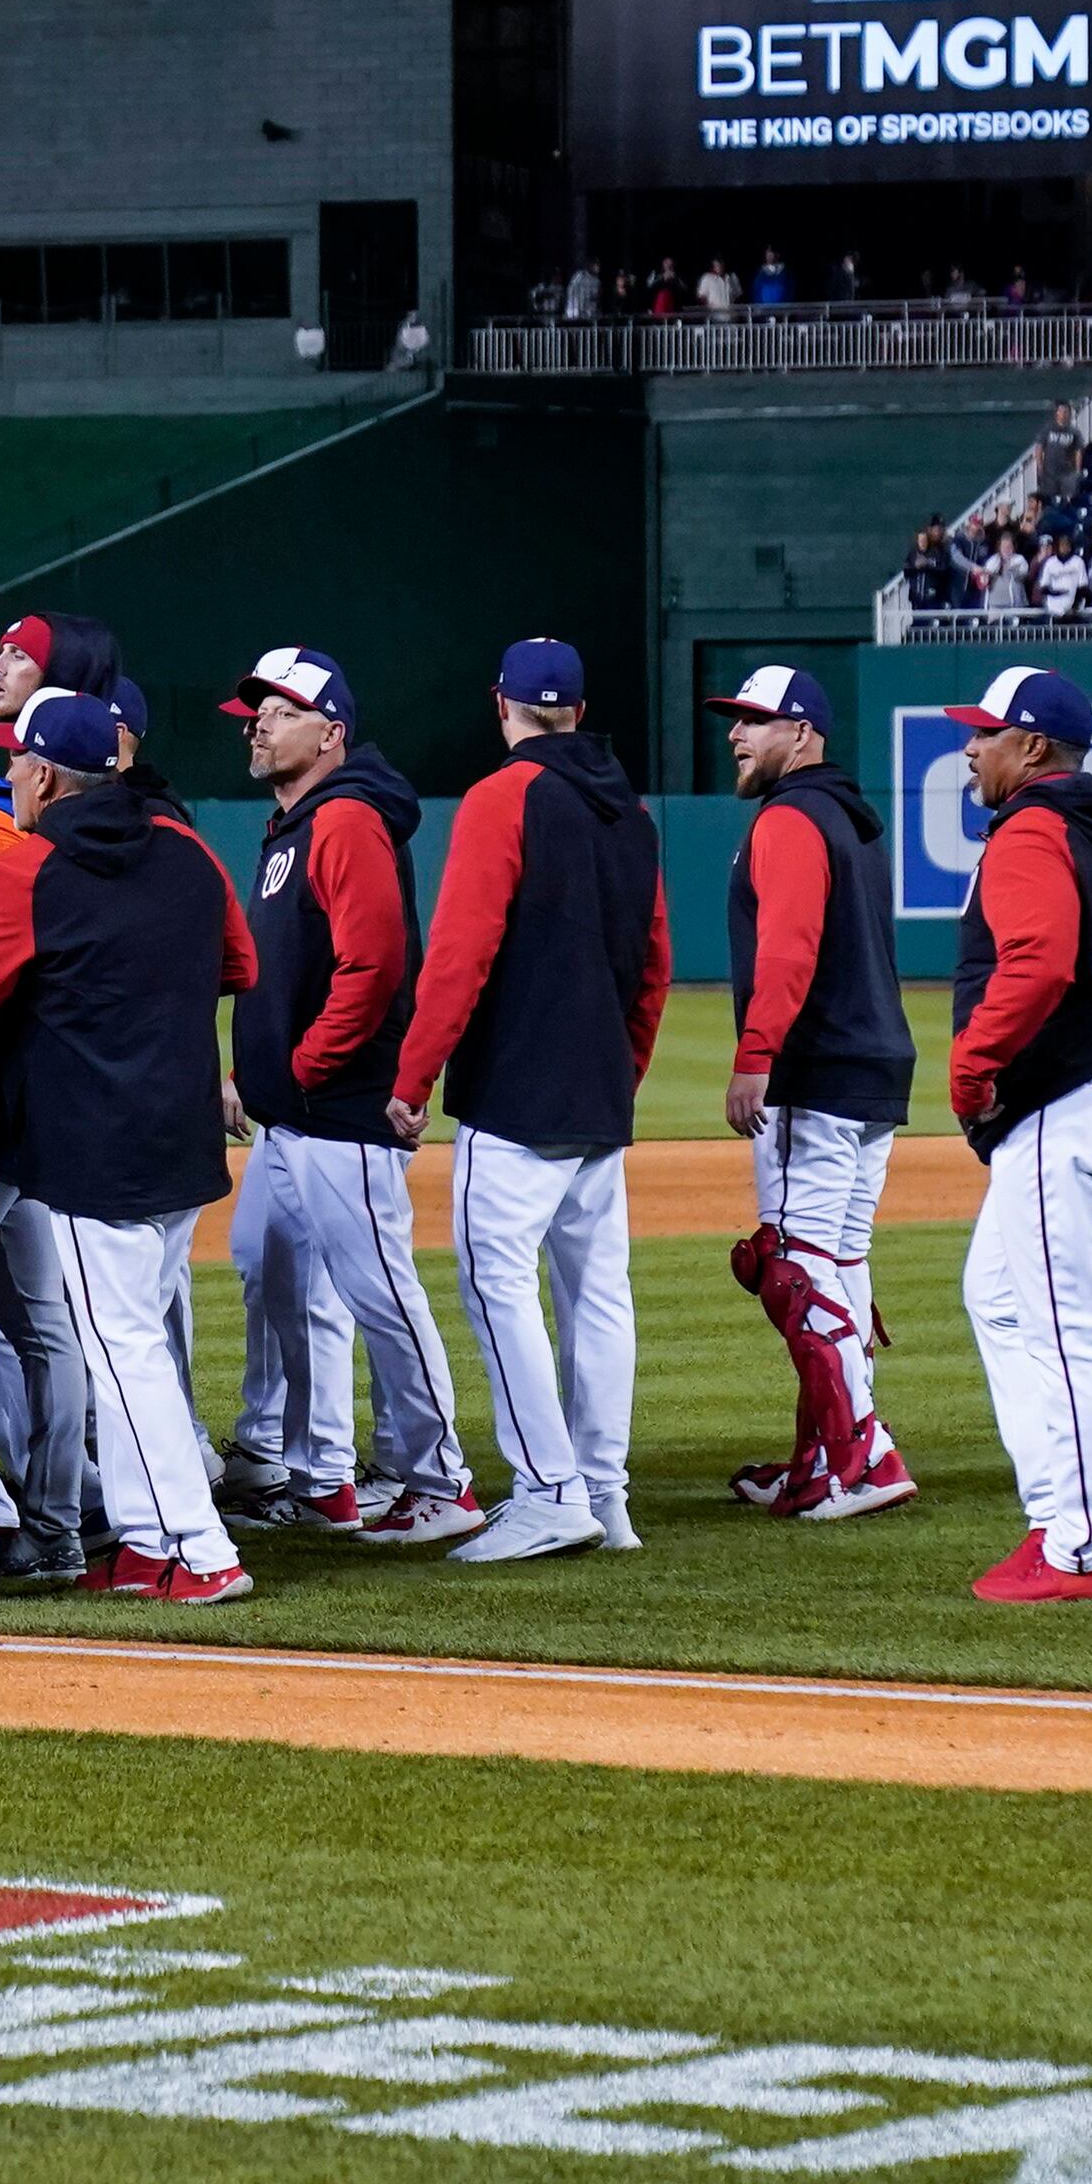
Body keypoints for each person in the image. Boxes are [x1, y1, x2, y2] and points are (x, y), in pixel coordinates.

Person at [0, 689, 256, 1601]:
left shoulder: (31, 868)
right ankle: (149, 1537)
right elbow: (243, 966)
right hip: (182, 1130)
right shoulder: (187, 848)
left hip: (90, 1142)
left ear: (42, 774)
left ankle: (201, 1549)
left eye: (14, 764)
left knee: (121, 1349)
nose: (7, 777)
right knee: (136, 1336)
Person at [385, 637, 668, 1566]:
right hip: (596, 1093)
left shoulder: (502, 797)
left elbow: (461, 952)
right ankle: (605, 1494)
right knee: (598, 1296)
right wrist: (622, 1069)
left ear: (501, 705)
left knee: (497, 1282)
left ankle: (549, 1493)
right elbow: (655, 966)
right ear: (579, 713)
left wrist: (413, 1075)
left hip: (516, 1091)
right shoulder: (631, 812)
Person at [213, 644, 471, 1544]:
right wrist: (258, 1073)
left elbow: (375, 964)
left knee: (380, 1295)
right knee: (271, 1273)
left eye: (279, 710)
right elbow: (287, 972)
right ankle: (319, 1473)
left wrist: (311, 1066)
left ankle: (441, 1479)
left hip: (341, 1110)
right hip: (292, 1117)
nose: (259, 723)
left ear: (332, 730)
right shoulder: (294, 823)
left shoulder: (347, 819)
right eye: (256, 710)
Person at [938, 665, 1092, 1602]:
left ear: (1031, 747)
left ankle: (1083, 1548)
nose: (969, 746)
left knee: (1067, 1331)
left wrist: (972, 1064)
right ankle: (1055, 1517)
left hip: (1066, 1108)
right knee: (995, 1295)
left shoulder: (1033, 829)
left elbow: (1037, 962)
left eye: (985, 733)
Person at [706, 663, 915, 1522]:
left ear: (802, 731)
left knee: (792, 1267)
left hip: (816, 1070)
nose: (735, 733)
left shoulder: (790, 818)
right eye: (736, 719)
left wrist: (757, 1053)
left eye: (755, 720)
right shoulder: (852, 819)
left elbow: (789, 946)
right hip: (874, 1068)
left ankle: (862, 1456)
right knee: (837, 1265)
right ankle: (819, 1461)